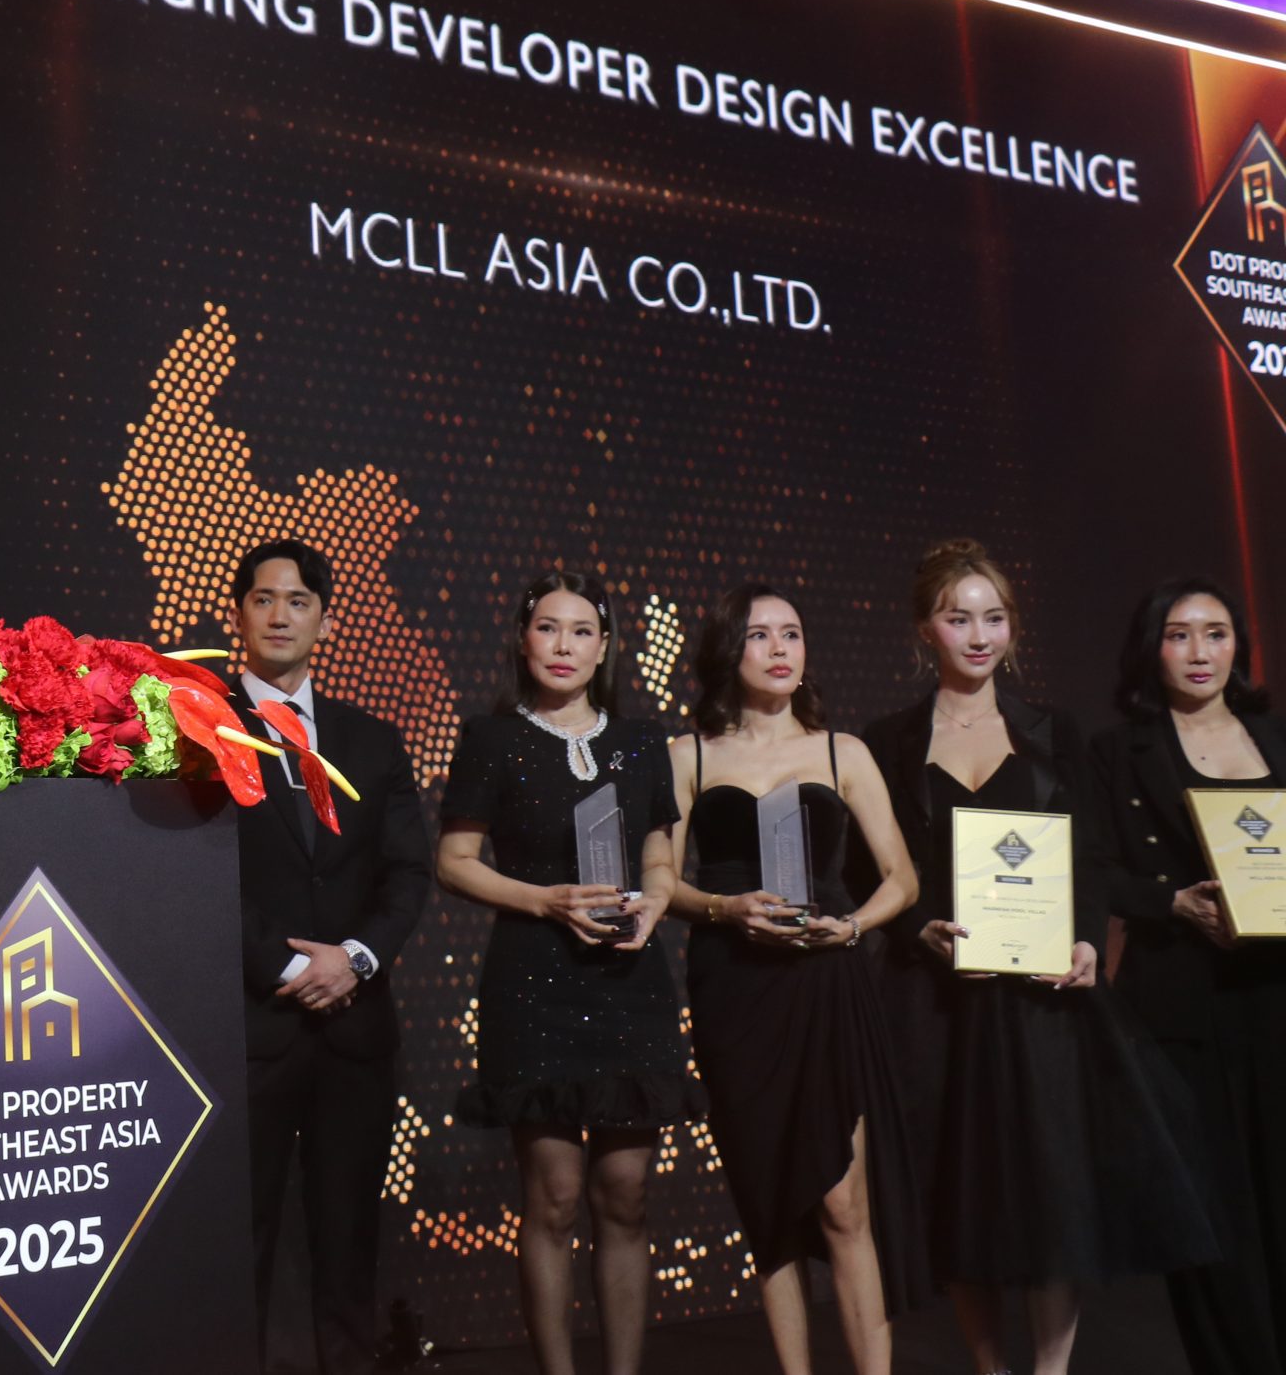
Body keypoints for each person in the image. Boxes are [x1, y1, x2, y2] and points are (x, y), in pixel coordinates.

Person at [863, 541, 1218, 1375]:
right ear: (925, 630)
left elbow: (1089, 857)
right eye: (958, 618)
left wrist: (1089, 937)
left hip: (1044, 1002)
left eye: (994, 617)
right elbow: (872, 872)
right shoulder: (889, 741)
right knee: (963, 1203)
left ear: (1013, 629)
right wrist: (917, 928)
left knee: (1055, 1201)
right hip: (939, 1007)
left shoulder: (1057, 732)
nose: (978, 635)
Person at [437, 571, 705, 1375]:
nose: (564, 645)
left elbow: (659, 855)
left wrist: (655, 902)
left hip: (628, 979)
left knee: (626, 1192)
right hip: (533, 980)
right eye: (548, 627)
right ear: (523, 640)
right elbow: (454, 860)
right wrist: (543, 900)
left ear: (604, 646)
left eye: (582, 630)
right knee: (553, 1197)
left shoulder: (642, 740)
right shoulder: (491, 739)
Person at [665, 584, 926, 1375]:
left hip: (826, 981)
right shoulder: (688, 755)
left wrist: (852, 926)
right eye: (759, 635)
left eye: (792, 633)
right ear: (728, 651)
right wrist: (726, 908)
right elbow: (661, 882)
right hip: (735, 986)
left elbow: (902, 878)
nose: (779, 648)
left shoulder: (844, 751)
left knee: (845, 1201)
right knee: (768, 1202)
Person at [226, 539, 432, 1375]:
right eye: (264, 598)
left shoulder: (373, 739)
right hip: (250, 1027)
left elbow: (408, 872)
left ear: (327, 620)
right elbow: (193, 875)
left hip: (355, 1030)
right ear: (238, 614)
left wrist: (354, 958)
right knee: (239, 1239)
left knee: (348, 1239)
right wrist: (283, 967)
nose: (281, 614)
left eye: (299, 600)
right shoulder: (198, 727)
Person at [1094, 577, 1286, 1375]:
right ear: (1152, 648)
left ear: (1239, 643)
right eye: (1180, 634)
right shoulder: (1117, 751)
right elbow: (1091, 868)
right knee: (1212, 1212)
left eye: (1217, 631)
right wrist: (1170, 901)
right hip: (1180, 1008)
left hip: (1276, 997)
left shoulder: (1276, 737)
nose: (1200, 651)